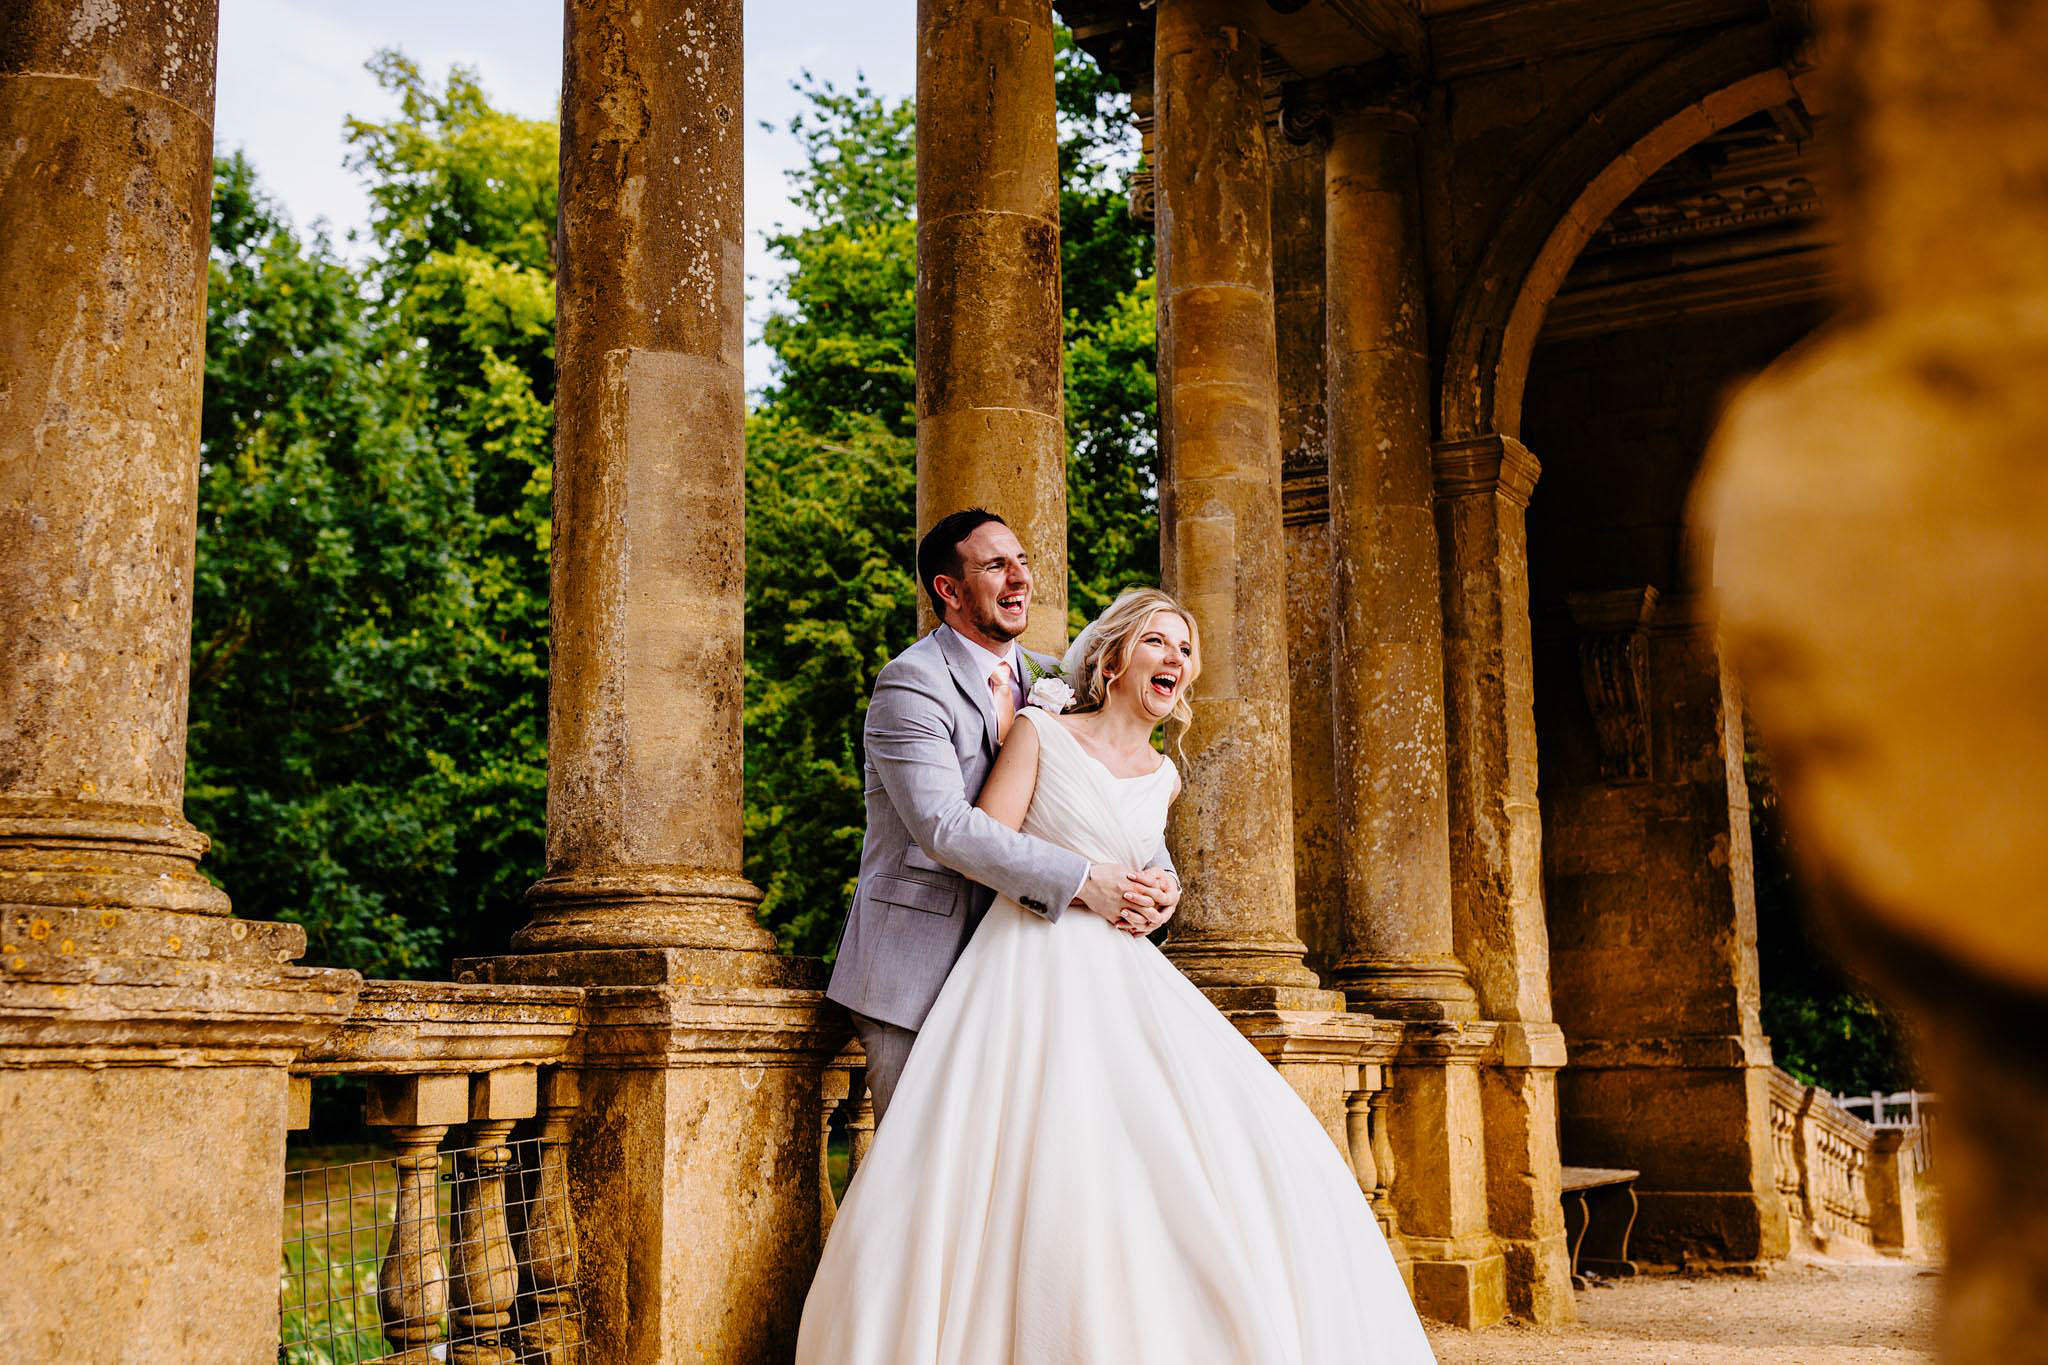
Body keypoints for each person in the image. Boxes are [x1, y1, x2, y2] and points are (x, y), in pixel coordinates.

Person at [799, 587, 1437, 1364]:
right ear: (1113, 659)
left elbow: (1144, 856)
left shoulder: (1164, 774)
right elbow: (987, 846)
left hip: (1127, 976)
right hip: (1026, 965)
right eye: (1158, 642)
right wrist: (1084, 882)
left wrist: (1162, 892)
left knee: (1196, 1152)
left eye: (1184, 648)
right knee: (1035, 1158)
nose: (1175, 658)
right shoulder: (1040, 730)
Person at [824, 508, 1181, 1122]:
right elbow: (944, 827)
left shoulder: (1055, 679)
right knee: (926, 1168)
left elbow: (1105, 786)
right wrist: (1085, 882)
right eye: (996, 566)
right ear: (950, 590)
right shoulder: (909, 684)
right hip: (919, 969)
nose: (1020, 579)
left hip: (1033, 971)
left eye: (1022, 562)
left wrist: (1159, 882)